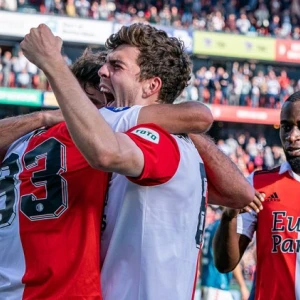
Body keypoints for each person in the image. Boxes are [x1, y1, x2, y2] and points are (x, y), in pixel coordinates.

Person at [19, 23, 254, 300]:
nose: (102, 71)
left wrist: (51, 62)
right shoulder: (176, 143)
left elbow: (105, 151)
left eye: (116, 66)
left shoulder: (154, 139)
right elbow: (242, 193)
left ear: (151, 85)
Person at [0, 48, 213, 299]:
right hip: (56, 292)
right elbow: (199, 116)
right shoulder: (97, 132)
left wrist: (43, 117)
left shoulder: (22, 141)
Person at [213, 91, 300, 300]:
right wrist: (228, 216)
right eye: (286, 127)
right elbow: (225, 263)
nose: (292, 136)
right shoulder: (259, 183)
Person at [200, 206, 249, 300]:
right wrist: (243, 286)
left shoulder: (210, 227)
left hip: (208, 281)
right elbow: (231, 259)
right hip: (218, 282)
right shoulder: (223, 227)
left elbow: (201, 254)